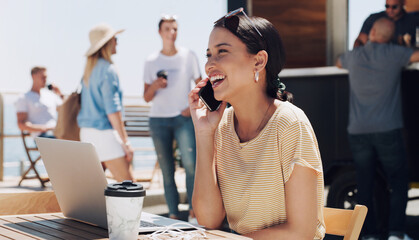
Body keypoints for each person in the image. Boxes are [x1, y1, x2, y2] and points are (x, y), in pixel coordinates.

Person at [189, 9, 325, 239]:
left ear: (259, 61)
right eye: (209, 55)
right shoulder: (222, 128)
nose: (210, 64)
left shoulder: (290, 124)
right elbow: (208, 219)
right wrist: (203, 133)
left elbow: (301, 232)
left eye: (222, 52)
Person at [337, 18, 419, 240]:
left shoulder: (354, 56)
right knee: (398, 183)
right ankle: (396, 233)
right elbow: (416, 55)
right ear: (390, 36)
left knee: (365, 184)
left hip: (358, 131)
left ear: (371, 32)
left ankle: (370, 234)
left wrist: (360, 42)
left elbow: (337, 62)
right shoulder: (394, 54)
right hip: (387, 130)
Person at [143, 15, 201, 222]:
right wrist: (155, 86)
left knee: (191, 165)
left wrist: (191, 107)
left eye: (175, 29)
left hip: (182, 118)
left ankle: (195, 211)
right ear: (160, 32)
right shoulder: (151, 61)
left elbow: (201, 84)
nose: (172, 33)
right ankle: (173, 214)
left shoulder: (189, 56)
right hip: (158, 120)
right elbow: (146, 97)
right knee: (167, 169)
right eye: (167, 29)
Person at [77, 23, 134, 182]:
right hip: (104, 134)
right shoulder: (108, 69)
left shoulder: (89, 70)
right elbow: (112, 111)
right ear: (108, 43)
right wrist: (126, 142)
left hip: (86, 134)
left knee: (95, 189)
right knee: (130, 188)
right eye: (115, 39)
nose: (117, 42)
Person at [15, 66, 63, 138]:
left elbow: (65, 110)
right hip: (43, 135)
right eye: (43, 77)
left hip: (57, 132)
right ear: (33, 76)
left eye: (46, 77)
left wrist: (59, 93)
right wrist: (44, 128)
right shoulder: (24, 98)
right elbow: (21, 124)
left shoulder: (50, 95)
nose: (45, 80)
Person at [353, 0, 418, 48]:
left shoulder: (414, 20)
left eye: (394, 7)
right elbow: (360, 41)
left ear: (403, 3)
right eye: (387, 6)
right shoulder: (373, 19)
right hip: (377, 61)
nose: (390, 10)